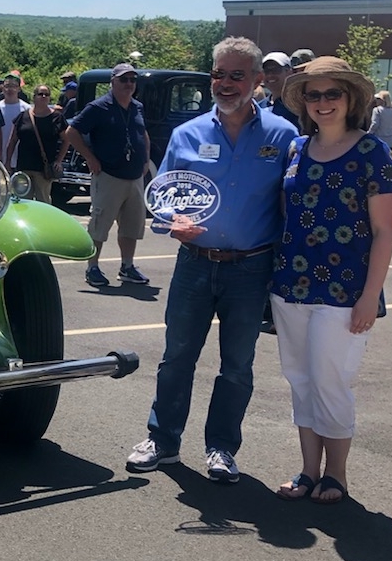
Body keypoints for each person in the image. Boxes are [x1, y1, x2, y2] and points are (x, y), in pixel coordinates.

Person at [126, 37, 298, 483]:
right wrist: (169, 221)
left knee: (237, 365)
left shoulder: (284, 138)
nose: (224, 83)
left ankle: (221, 448)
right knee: (177, 355)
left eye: (236, 75)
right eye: (218, 74)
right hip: (195, 263)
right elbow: (163, 194)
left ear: (259, 81)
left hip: (251, 268)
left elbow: (296, 202)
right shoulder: (188, 134)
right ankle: (162, 441)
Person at [270, 57, 392, 504]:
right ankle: (308, 471)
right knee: (300, 378)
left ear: (350, 99)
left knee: (331, 381)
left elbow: (385, 231)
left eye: (332, 93)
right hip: (290, 285)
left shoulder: (371, 153)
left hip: (345, 291)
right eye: (313, 94)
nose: (323, 102)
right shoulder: (296, 150)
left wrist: (370, 297)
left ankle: (337, 475)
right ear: (303, 103)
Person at [62, 62, 152, 287]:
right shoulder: (98, 107)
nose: (129, 84)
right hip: (108, 175)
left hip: (134, 176)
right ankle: (92, 267)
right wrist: (90, 158)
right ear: (113, 82)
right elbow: (71, 132)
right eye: (124, 80)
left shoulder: (137, 107)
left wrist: (145, 159)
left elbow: (143, 133)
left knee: (132, 226)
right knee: (100, 225)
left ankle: (127, 266)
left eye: (132, 80)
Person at [5, 84, 66, 202]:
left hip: (43, 170)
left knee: (43, 202)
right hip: (24, 167)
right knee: (22, 201)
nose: (43, 96)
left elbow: (67, 139)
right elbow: (12, 141)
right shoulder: (23, 116)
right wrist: (7, 161)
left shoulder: (56, 118)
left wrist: (59, 160)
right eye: (40, 94)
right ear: (34, 97)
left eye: (46, 94)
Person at [0, 73, 30, 168]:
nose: (10, 89)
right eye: (7, 86)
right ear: (3, 88)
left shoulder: (26, 109)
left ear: (19, 89)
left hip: (20, 159)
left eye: (13, 86)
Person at [260, 51, 299, 128]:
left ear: (289, 72)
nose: (270, 75)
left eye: (276, 70)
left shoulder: (298, 107)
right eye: (266, 71)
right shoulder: (259, 107)